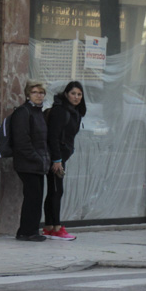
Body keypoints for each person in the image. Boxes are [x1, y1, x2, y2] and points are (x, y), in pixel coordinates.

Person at [42, 81, 86, 241]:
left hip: (60, 157)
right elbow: (53, 137)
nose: (76, 97)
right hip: (56, 159)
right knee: (56, 191)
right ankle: (57, 228)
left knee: (54, 191)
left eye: (79, 94)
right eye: (73, 93)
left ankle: (49, 227)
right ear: (66, 94)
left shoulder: (73, 111)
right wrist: (57, 160)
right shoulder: (60, 111)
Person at [11, 80, 50, 242]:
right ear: (28, 94)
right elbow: (21, 141)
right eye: (35, 92)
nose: (39, 95)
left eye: (41, 93)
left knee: (36, 197)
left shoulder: (38, 112)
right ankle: (27, 231)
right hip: (27, 163)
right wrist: (36, 158)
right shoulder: (23, 112)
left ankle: (30, 229)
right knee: (32, 197)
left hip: (38, 163)